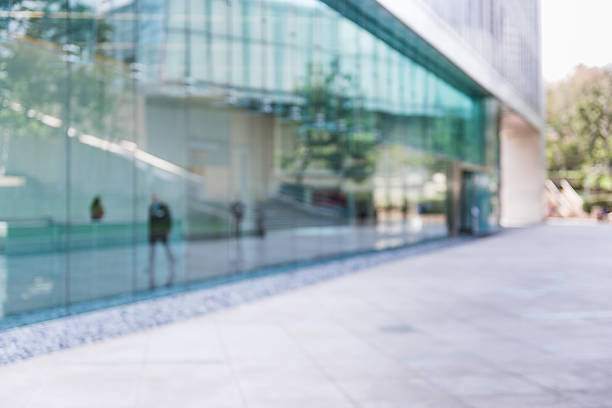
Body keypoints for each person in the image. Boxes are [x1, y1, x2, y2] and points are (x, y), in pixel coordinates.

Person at [147, 194, 175, 289]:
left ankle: (172, 260)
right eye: (153, 197)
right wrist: (150, 231)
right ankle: (151, 264)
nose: (154, 198)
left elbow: (168, 218)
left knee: (166, 247)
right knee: (152, 249)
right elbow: (150, 220)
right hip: (154, 232)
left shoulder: (164, 206)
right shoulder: (151, 207)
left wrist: (168, 230)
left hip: (162, 232)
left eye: (155, 197)